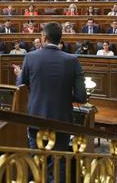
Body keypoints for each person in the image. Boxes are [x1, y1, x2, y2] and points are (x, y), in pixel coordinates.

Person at [13, 23, 87, 182]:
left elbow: (20, 85)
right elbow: (81, 96)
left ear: (44, 38)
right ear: (59, 39)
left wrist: (19, 74)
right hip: (62, 120)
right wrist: (64, 96)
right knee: (58, 163)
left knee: (38, 161)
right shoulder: (72, 60)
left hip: (36, 119)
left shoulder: (30, 57)